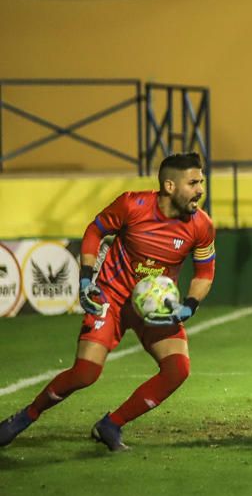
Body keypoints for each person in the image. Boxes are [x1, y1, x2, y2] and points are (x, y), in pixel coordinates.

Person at [0, 152, 216, 452]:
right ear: (169, 186)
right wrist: (87, 279)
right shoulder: (132, 205)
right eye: (193, 183)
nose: (200, 190)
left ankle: (111, 424)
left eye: (201, 182)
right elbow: (95, 230)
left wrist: (189, 305)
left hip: (152, 307)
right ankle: (26, 416)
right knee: (86, 373)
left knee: (177, 369)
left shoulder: (201, 225)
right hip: (111, 297)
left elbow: (205, 272)